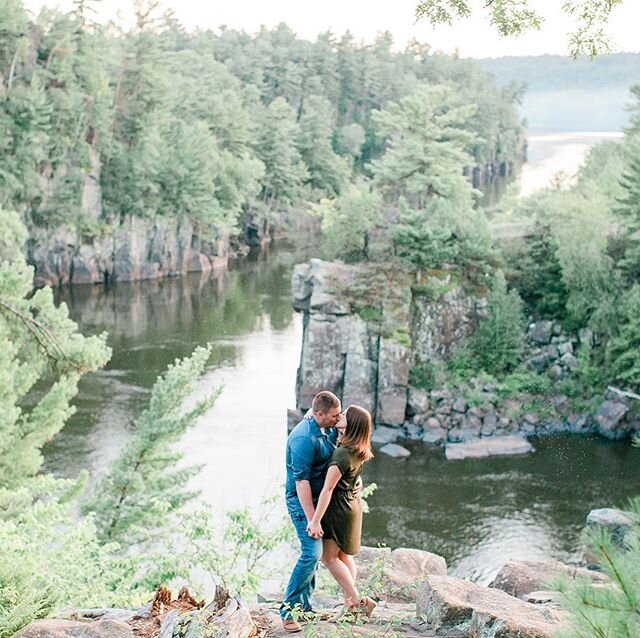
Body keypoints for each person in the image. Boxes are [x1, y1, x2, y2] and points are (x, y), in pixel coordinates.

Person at [280, 390, 343, 633]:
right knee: (311, 553)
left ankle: (305, 608)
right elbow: (301, 483)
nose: (338, 419)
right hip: (301, 501)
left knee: (315, 555)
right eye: (334, 416)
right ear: (319, 414)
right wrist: (311, 520)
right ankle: (288, 611)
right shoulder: (303, 439)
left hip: (320, 499)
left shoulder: (327, 426)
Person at [306, 405, 376, 622]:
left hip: (338, 510)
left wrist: (315, 520)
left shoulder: (341, 454)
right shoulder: (358, 448)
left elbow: (328, 489)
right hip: (352, 506)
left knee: (329, 557)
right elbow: (353, 475)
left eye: (344, 414)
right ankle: (349, 605)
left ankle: (357, 601)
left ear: (352, 424)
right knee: (344, 556)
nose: (340, 415)